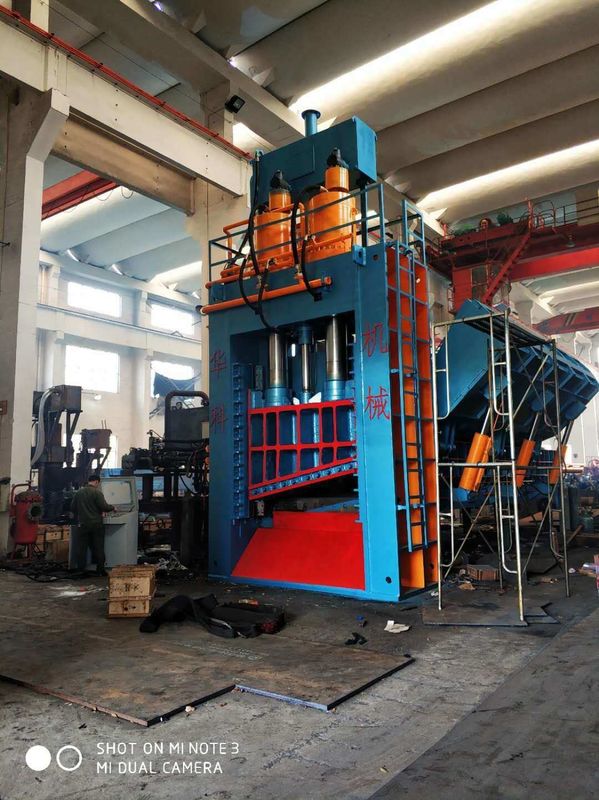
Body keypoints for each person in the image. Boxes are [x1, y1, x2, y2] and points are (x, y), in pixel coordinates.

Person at [70, 474, 114, 575]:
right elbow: (104, 507)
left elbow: (72, 508)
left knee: (81, 548)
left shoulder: (79, 493)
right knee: (98, 547)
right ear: (97, 482)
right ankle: (100, 570)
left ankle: (81, 570)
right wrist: (113, 508)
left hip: (82, 524)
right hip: (96, 524)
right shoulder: (97, 493)